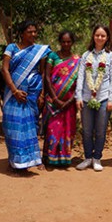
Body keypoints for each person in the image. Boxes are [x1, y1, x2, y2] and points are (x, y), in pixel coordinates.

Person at [1, 20, 51, 173]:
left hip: (32, 93)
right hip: (13, 94)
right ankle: (16, 161)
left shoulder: (39, 51)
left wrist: (42, 93)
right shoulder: (11, 48)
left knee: (31, 126)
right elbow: (5, 69)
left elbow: (42, 72)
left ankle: (34, 159)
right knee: (13, 126)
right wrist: (15, 91)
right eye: (30, 32)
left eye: (35, 31)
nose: (33, 34)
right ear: (22, 33)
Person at [74, 25, 112, 172]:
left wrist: (111, 98)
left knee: (100, 130)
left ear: (107, 38)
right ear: (93, 36)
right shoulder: (86, 55)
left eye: (103, 36)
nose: (100, 38)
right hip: (86, 98)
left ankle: (97, 158)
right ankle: (87, 158)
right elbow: (80, 77)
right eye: (97, 35)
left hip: (103, 98)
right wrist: (78, 96)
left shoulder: (111, 56)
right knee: (86, 130)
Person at [41, 30, 80, 167]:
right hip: (53, 101)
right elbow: (46, 77)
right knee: (53, 128)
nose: (66, 44)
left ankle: (64, 158)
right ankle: (50, 157)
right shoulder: (52, 56)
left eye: (68, 42)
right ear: (60, 42)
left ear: (72, 43)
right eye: (63, 41)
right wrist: (55, 99)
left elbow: (79, 83)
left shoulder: (77, 61)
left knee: (67, 129)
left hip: (69, 102)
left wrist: (70, 101)